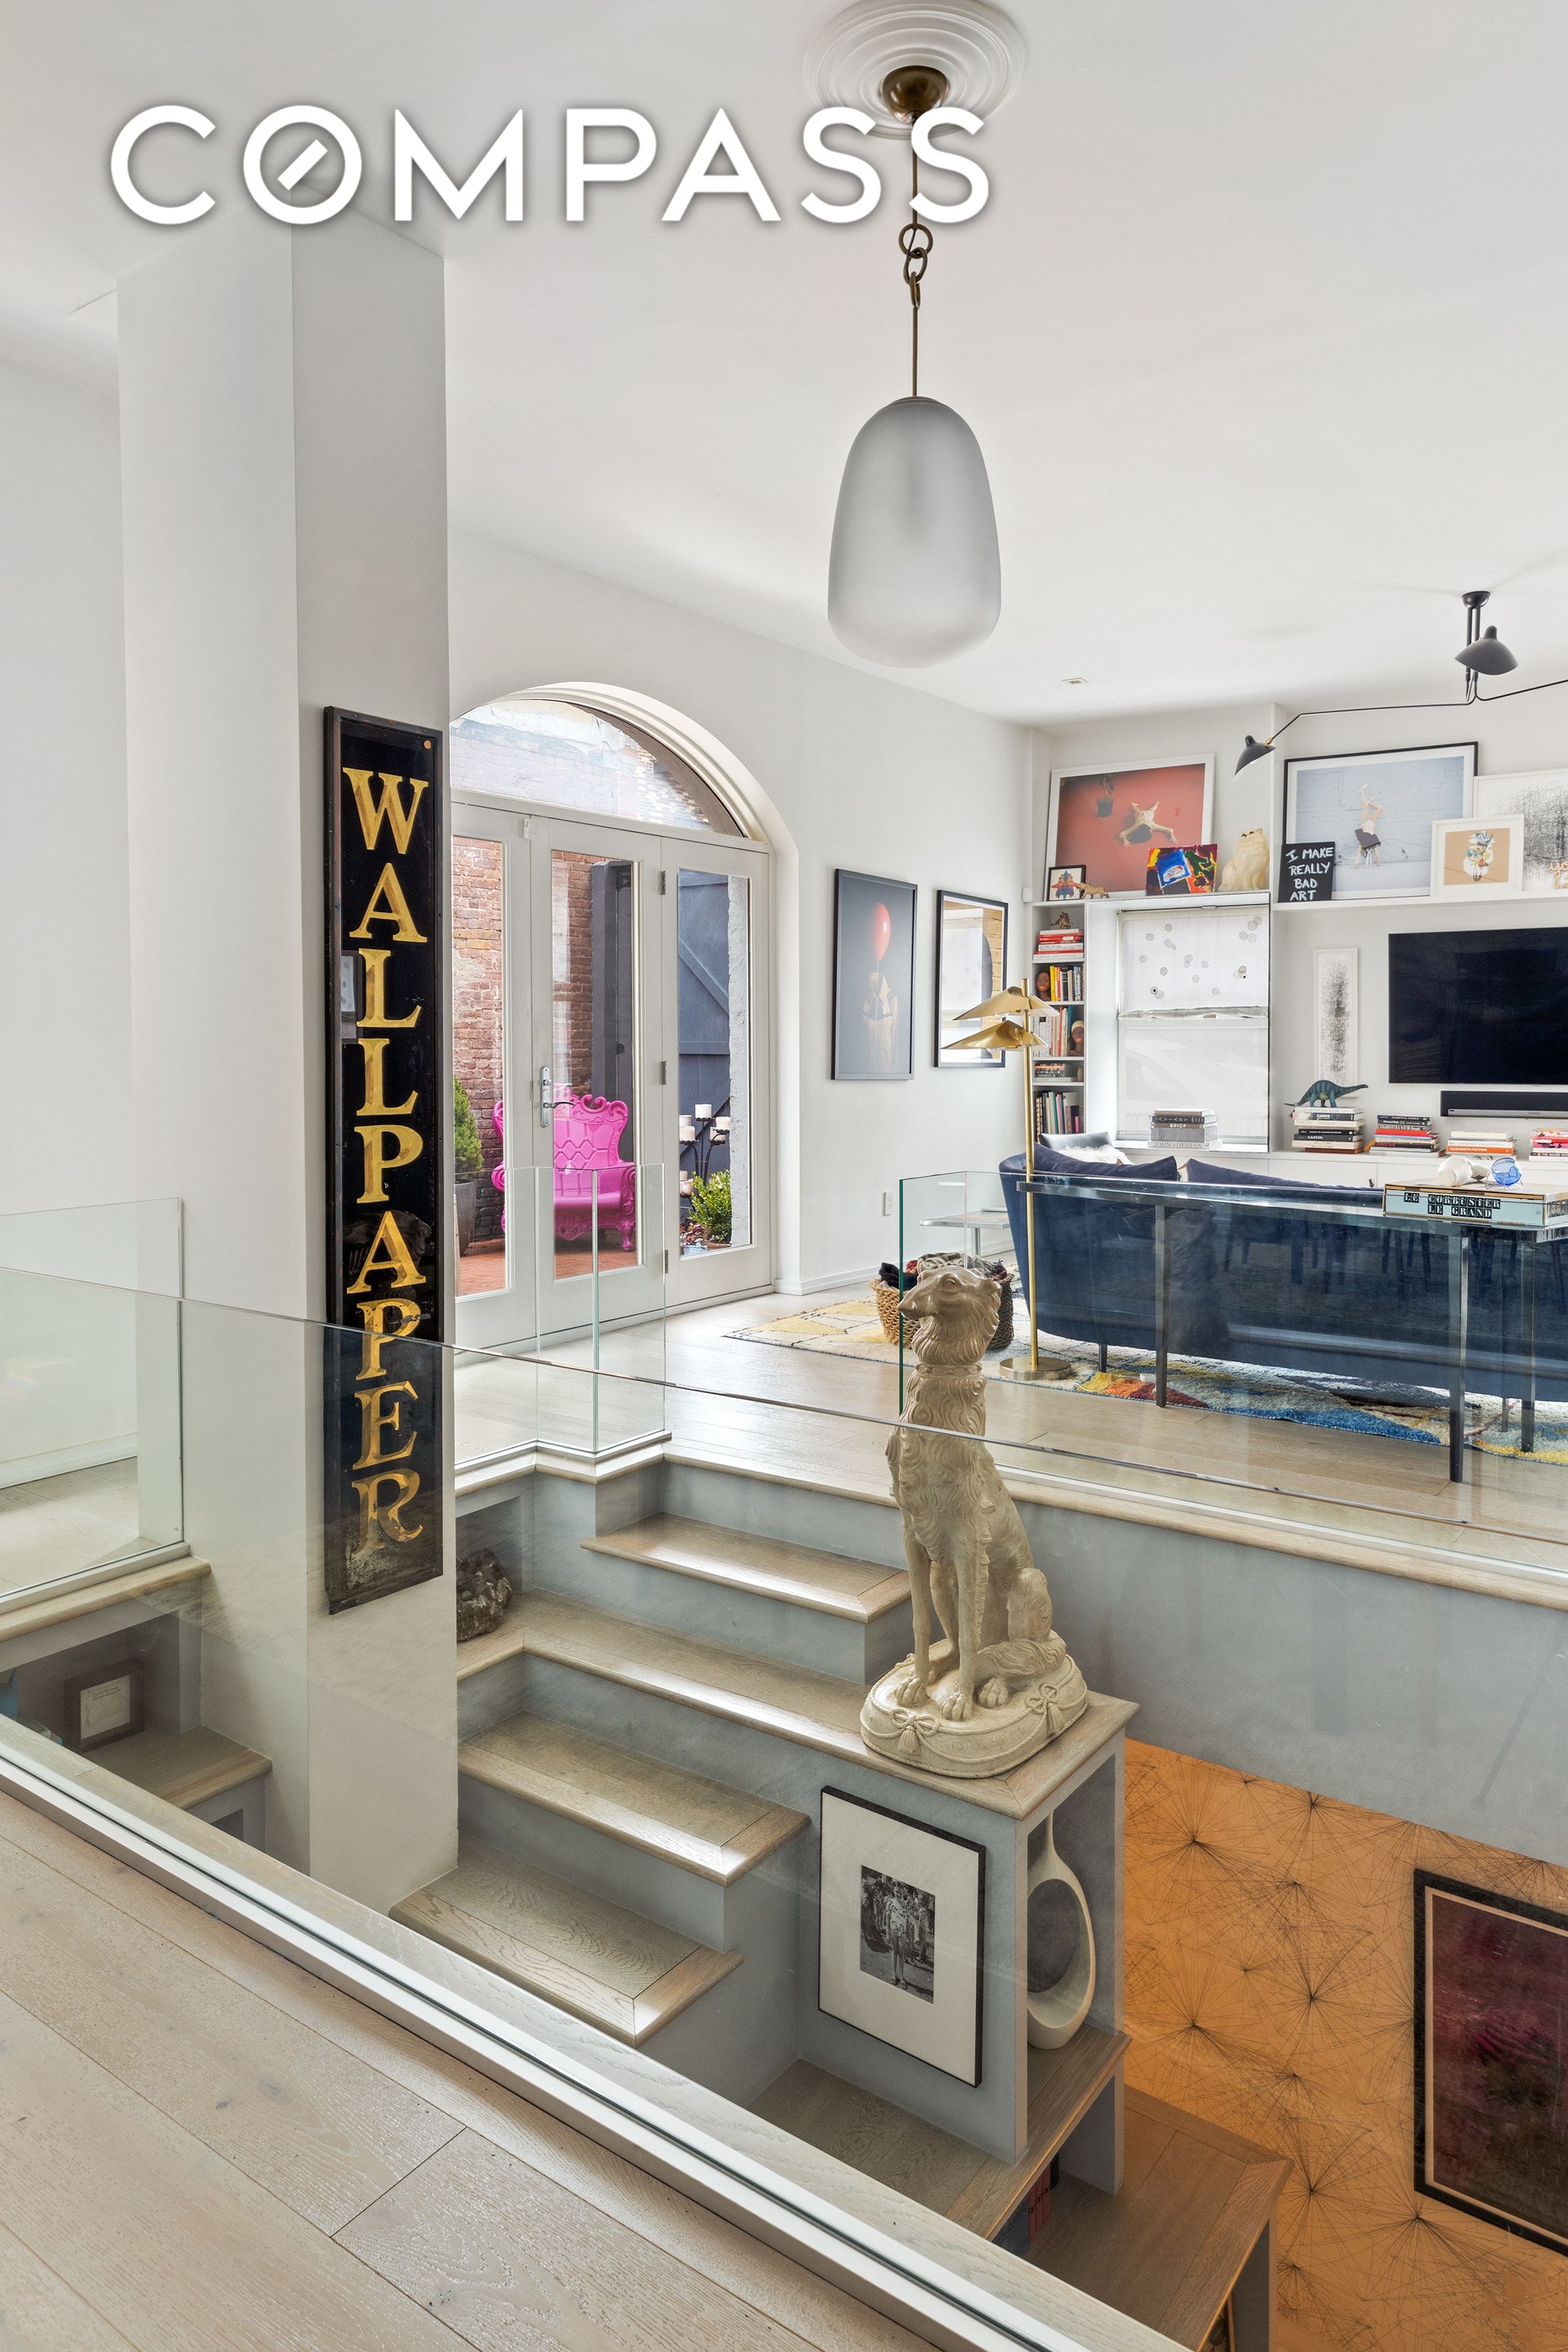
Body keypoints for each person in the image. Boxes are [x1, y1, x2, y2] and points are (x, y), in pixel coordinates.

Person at [1353, 786, 1383, 866]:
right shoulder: (1373, 842)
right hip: (1372, 823)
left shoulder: (1362, 842)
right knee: (1380, 808)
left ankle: (1362, 791)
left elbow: (1358, 853)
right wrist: (1379, 863)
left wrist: (1355, 865)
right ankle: (1370, 802)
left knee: (1366, 806)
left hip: (1364, 823)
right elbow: (1377, 853)